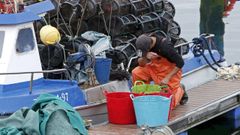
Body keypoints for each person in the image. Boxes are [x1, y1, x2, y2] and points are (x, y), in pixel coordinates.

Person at [132, 34, 188, 109]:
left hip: (169, 71)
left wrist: (167, 78)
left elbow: (180, 62)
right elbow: (141, 64)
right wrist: (145, 56)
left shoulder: (165, 47)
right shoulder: (144, 45)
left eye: (145, 51)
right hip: (153, 67)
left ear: (150, 45)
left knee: (169, 103)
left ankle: (180, 89)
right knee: (136, 72)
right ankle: (144, 97)